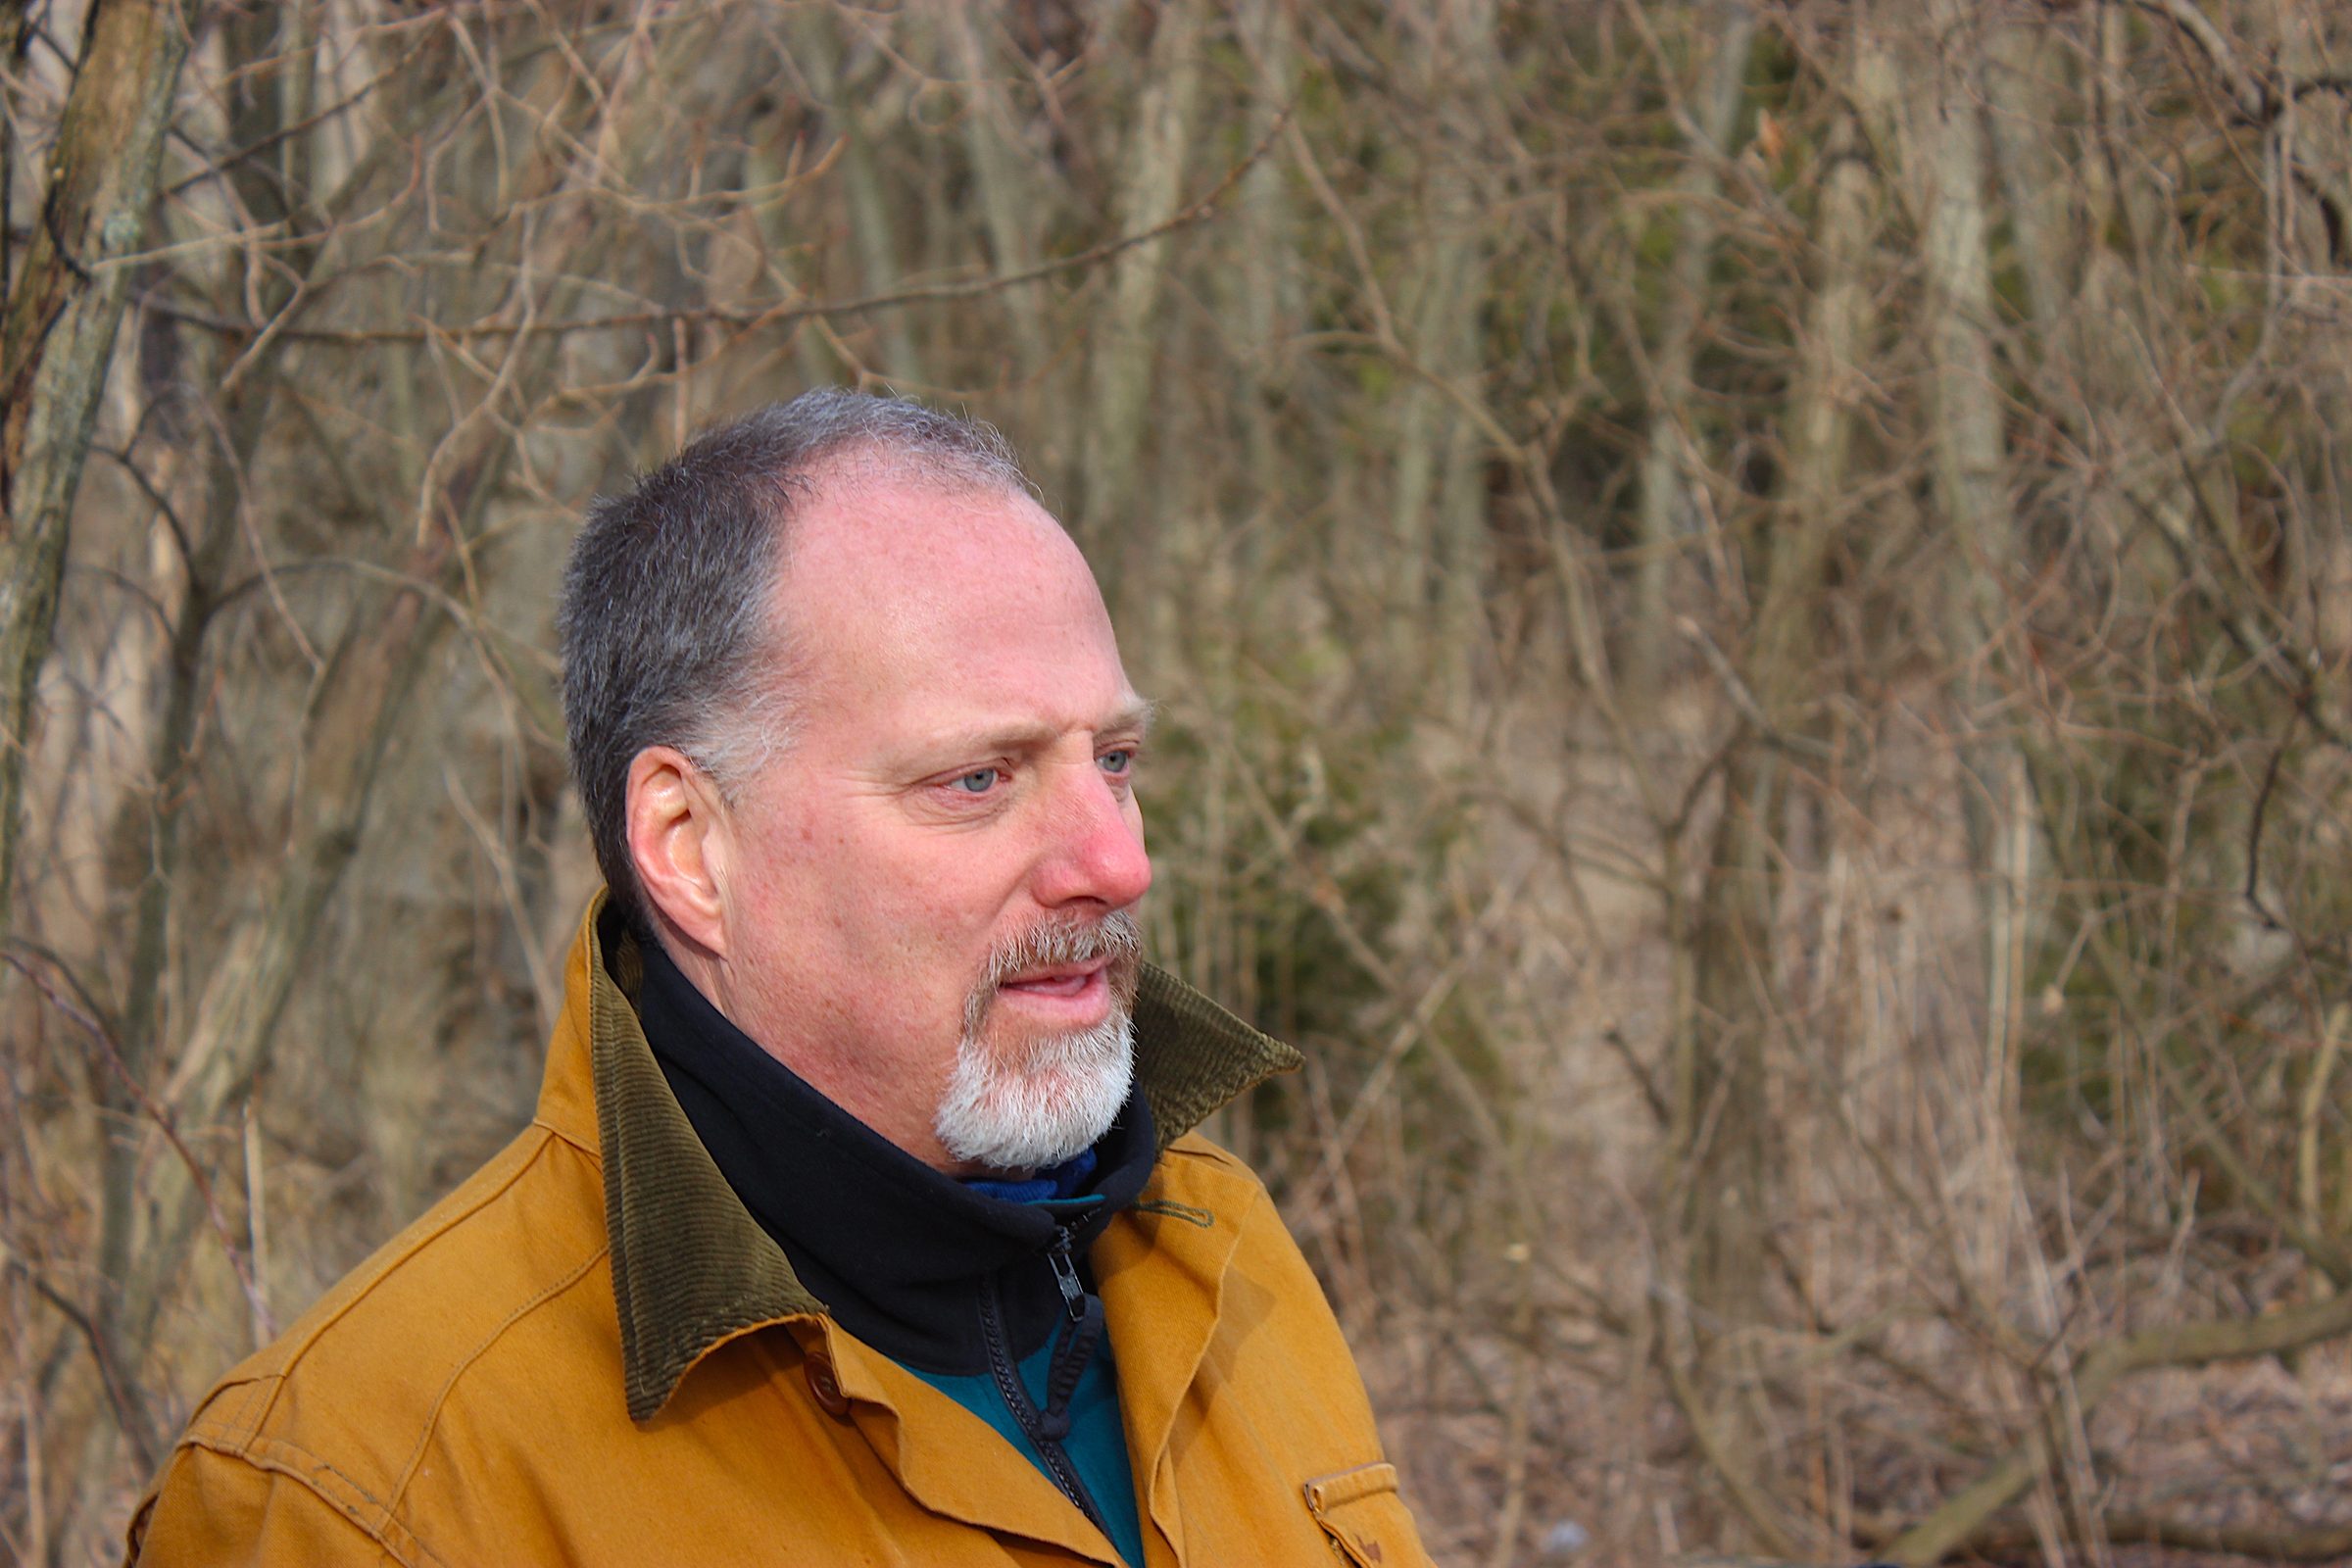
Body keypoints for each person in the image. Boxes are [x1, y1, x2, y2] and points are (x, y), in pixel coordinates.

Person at [127, 391, 1431, 1566]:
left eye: (1116, 761)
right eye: (978, 779)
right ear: (691, 848)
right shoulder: (362, 1497)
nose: (1118, 860)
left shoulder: (1221, 1245)